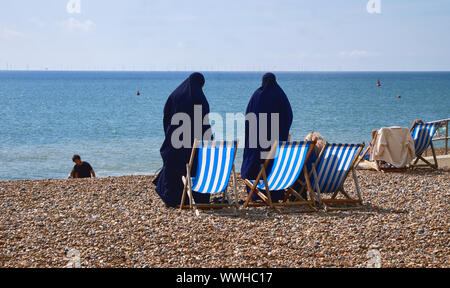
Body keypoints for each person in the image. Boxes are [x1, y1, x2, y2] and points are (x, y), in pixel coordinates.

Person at [153, 72, 212, 207]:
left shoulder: (175, 95)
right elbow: (205, 123)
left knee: (174, 166)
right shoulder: (201, 99)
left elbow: (166, 118)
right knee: (197, 164)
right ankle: (198, 198)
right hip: (197, 144)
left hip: (175, 143)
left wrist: (170, 136)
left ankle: (173, 199)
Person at [241, 73, 293, 203]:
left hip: (257, 139)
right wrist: (282, 132)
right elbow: (288, 115)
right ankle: (275, 194)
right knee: (273, 164)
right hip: (276, 140)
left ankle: (255, 194)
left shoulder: (257, 95)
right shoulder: (280, 95)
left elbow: (248, 116)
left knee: (254, 162)